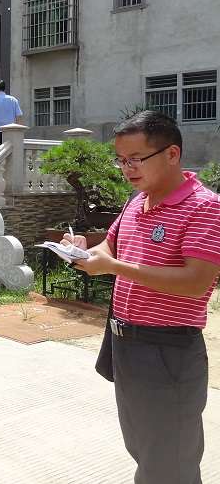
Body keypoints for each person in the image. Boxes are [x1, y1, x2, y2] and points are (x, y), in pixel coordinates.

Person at [65, 110, 220, 484]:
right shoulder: (137, 201)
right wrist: (83, 250)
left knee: (169, 463)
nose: (126, 169)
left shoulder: (205, 207)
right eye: (121, 160)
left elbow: (195, 282)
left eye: (136, 159)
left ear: (172, 154)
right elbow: (110, 246)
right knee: (144, 449)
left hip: (167, 349)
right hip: (125, 344)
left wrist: (115, 267)